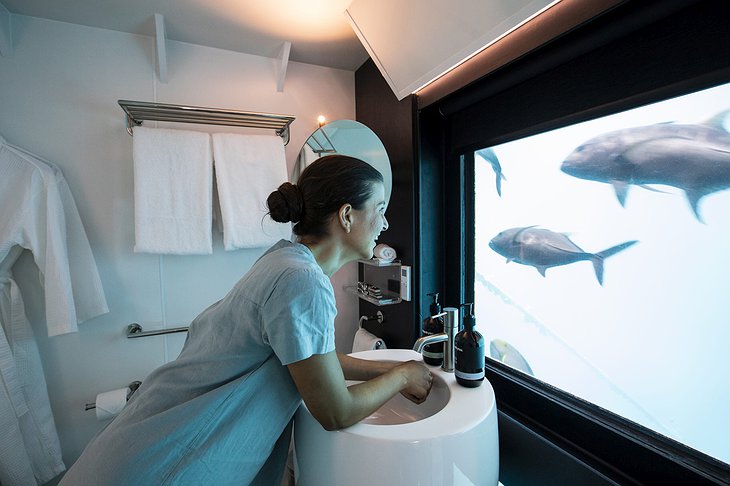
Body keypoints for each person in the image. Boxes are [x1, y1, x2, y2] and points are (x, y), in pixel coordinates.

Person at [60, 155, 433, 485]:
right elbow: (335, 412)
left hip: (139, 444)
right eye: (379, 208)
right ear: (347, 215)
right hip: (164, 464)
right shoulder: (302, 282)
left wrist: (396, 368)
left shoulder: (284, 260)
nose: (385, 223)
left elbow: (308, 362)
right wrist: (401, 376)